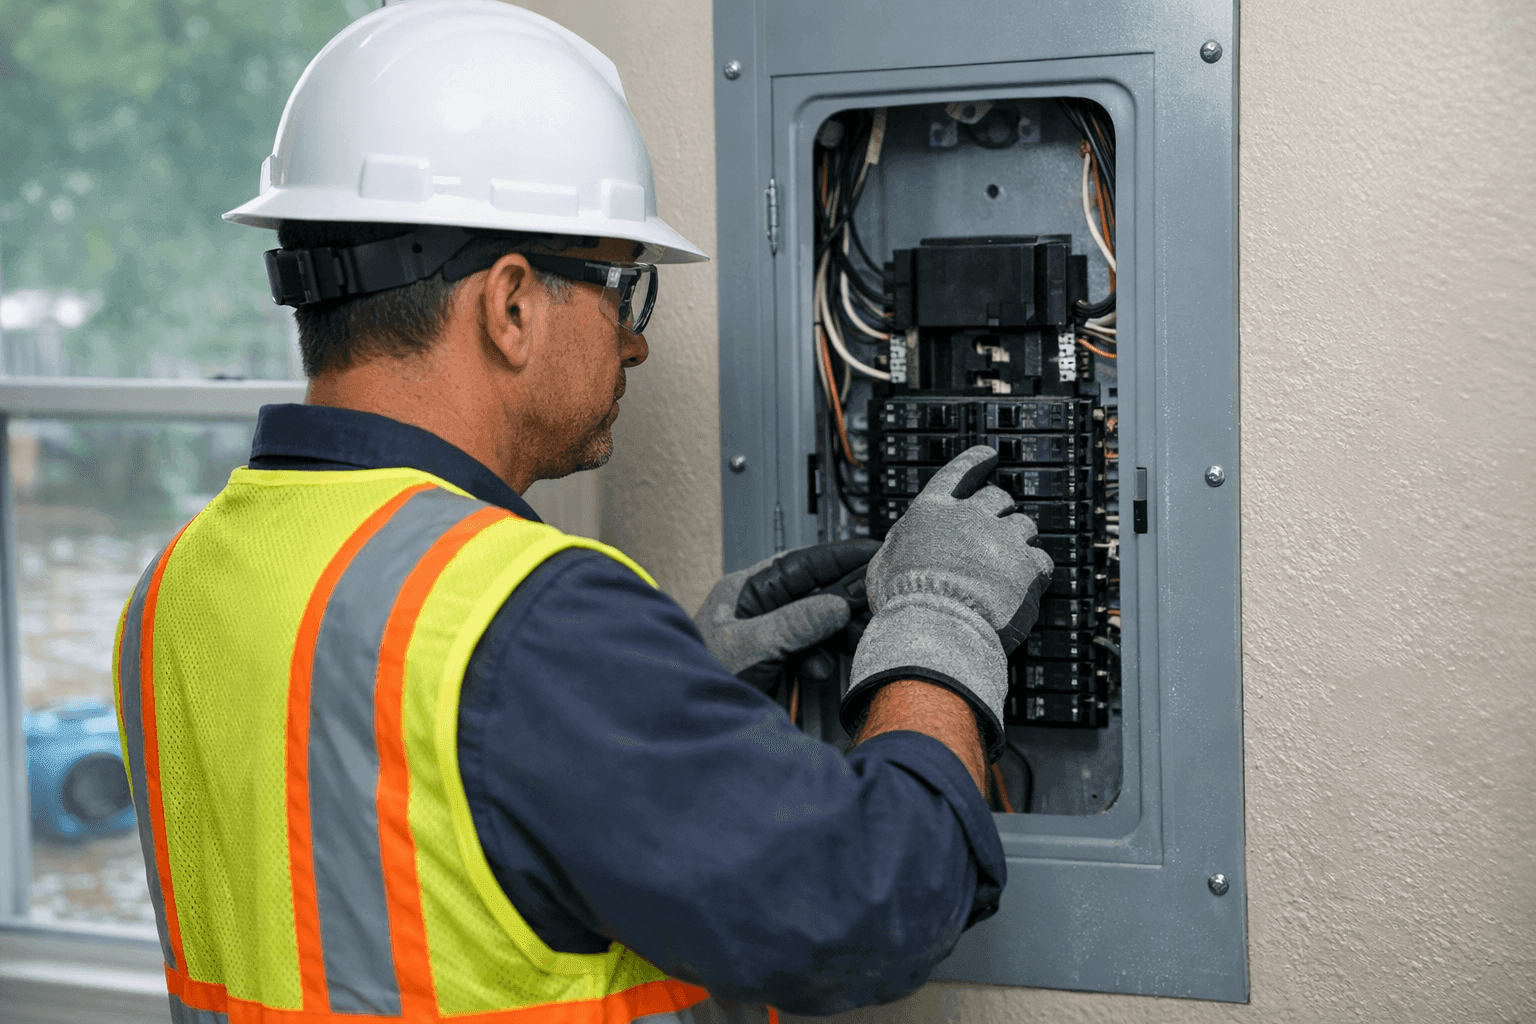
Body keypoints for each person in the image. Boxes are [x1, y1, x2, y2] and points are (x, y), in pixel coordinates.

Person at [112, 3, 1053, 1022]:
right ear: (511, 304)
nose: (635, 342)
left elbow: (397, 828)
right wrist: (938, 627)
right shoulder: (530, 626)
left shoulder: (174, 588)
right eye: (622, 291)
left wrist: (663, 695)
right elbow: (873, 903)